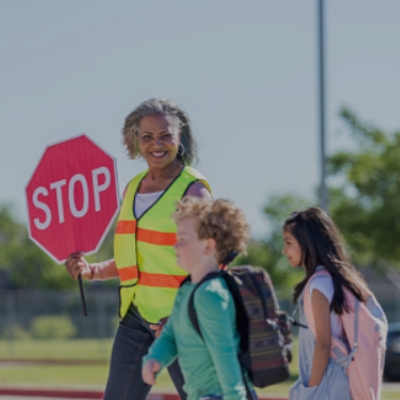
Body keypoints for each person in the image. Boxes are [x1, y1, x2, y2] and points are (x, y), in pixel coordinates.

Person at [64, 98, 213, 400]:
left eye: (165, 135)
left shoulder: (193, 190)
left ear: (179, 137)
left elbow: (212, 260)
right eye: (147, 136)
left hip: (182, 321)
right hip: (136, 317)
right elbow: (134, 257)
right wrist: (93, 271)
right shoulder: (132, 187)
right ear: (135, 139)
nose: (156, 144)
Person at [142, 197, 257, 400]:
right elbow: (170, 336)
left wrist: (235, 397)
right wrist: (155, 358)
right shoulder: (187, 290)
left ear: (208, 246)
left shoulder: (210, 295)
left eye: (183, 239)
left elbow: (225, 354)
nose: (175, 245)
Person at [282, 207, 371, 400]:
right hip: (338, 381)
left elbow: (323, 344)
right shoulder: (334, 279)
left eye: (288, 243)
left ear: (307, 242)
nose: (284, 250)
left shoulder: (318, 285)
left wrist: (311, 390)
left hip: (325, 386)